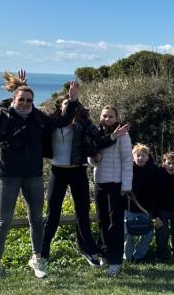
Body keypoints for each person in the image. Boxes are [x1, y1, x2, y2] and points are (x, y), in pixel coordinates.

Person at [0, 69, 81, 285]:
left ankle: (37, 259)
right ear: (13, 100)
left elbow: (63, 120)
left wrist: (73, 100)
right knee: (4, 221)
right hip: (8, 176)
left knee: (36, 219)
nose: (25, 103)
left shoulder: (39, 118)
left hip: (33, 175)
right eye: (21, 99)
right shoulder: (1, 118)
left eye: (29, 100)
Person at [40, 97, 128, 267]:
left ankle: (89, 251)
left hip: (78, 171)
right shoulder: (52, 123)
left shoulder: (84, 124)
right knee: (52, 214)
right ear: (60, 107)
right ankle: (41, 254)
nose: (70, 108)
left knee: (83, 214)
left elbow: (98, 140)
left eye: (73, 105)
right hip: (58, 172)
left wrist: (113, 136)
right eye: (66, 104)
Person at [90, 105, 133, 277]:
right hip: (100, 182)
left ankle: (116, 261)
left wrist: (126, 185)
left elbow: (127, 160)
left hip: (116, 184)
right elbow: (91, 157)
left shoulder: (123, 134)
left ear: (116, 118)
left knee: (115, 223)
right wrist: (93, 157)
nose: (107, 119)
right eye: (104, 116)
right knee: (102, 220)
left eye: (110, 116)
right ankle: (104, 254)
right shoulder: (96, 133)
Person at [125, 144, 163, 265]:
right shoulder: (127, 169)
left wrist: (155, 214)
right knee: (128, 234)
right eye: (138, 155)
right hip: (128, 208)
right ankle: (128, 258)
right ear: (133, 157)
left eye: (143, 155)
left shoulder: (154, 170)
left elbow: (156, 193)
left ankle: (139, 256)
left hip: (146, 210)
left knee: (148, 233)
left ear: (147, 157)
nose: (140, 158)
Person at [155, 152, 174, 261]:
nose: (171, 166)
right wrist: (155, 214)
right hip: (162, 209)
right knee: (162, 233)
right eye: (168, 163)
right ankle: (161, 254)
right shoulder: (158, 174)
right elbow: (153, 194)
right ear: (164, 163)